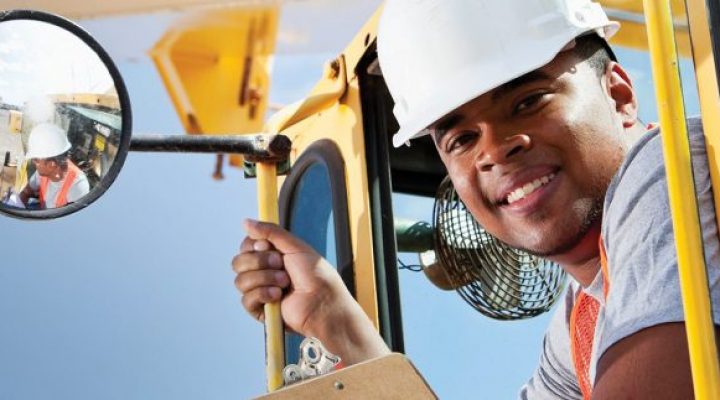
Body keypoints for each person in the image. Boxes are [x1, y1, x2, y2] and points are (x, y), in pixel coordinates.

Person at [232, 0, 720, 398]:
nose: (494, 149)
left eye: (528, 101)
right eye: (462, 139)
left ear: (617, 93)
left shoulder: (675, 169)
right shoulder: (580, 327)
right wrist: (331, 320)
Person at [18, 123, 90, 209]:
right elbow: (26, 192)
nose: (33, 162)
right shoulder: (42, 173)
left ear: (51, 164)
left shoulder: (78, 186)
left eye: (36, 160)